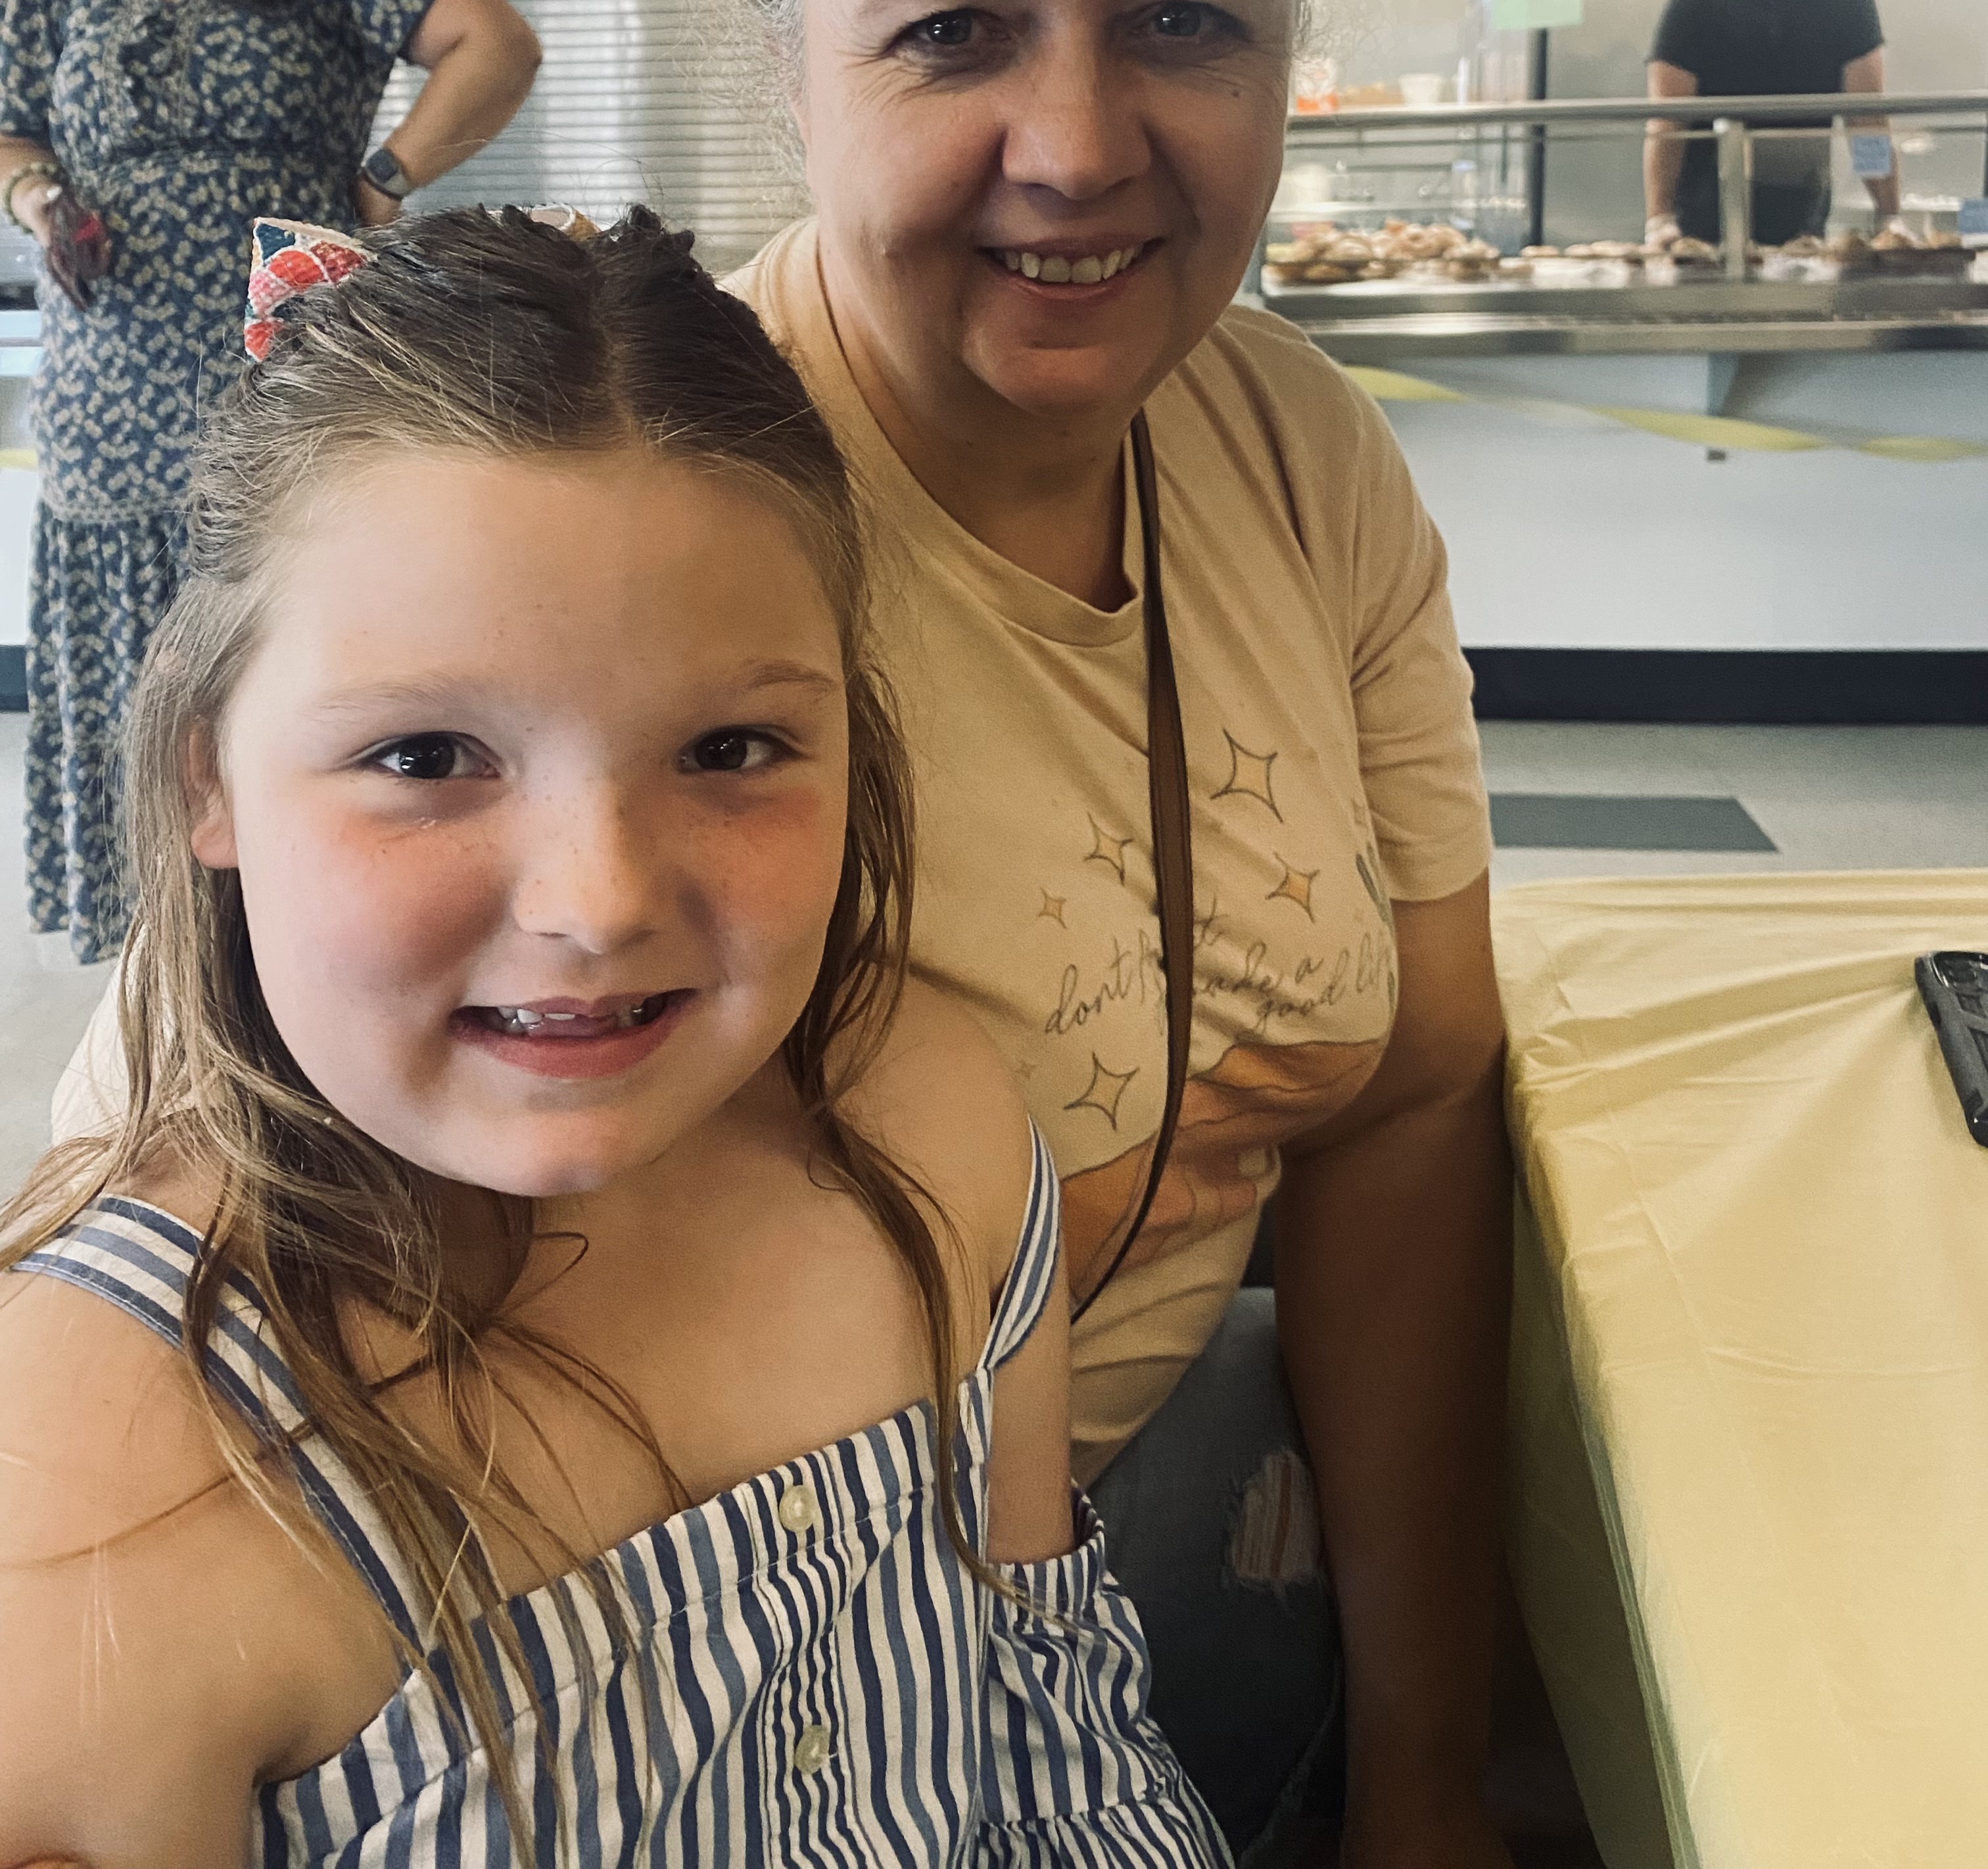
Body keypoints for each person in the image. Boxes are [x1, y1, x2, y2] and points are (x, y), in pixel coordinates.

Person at [0, 204, 1225, 1865]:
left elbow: (1060, 1732)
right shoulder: (84, 1506)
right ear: (209, 775)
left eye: (729, 747)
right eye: (428, 756)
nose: (596, 900)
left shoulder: (928, 1121)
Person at [734, 0, 1511, 1866]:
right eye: (953, 29)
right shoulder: (628, 515)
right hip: (750, 1685)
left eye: (1184, 22)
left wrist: (1422, 1784)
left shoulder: (1295, 450)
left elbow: (1410, 1104)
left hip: (1136, 1585)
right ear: (788, 56)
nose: (1076, 149)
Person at [0, 0, 542, 967]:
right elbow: (4, 119)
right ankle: (156, 962)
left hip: (281, 386)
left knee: (292, 655)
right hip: (107, 402)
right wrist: (33, 194)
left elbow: (494, 45)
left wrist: (382, 185)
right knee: (137, 691)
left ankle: (306, 950)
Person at [1644, 0, 1898, 250]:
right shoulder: (1696, 2)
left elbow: (1866, 120)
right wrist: (1660, 222)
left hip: (1806, 226)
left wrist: (1890, 217)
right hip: (1704, 234)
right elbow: (1667, 125)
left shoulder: (1847, 0)